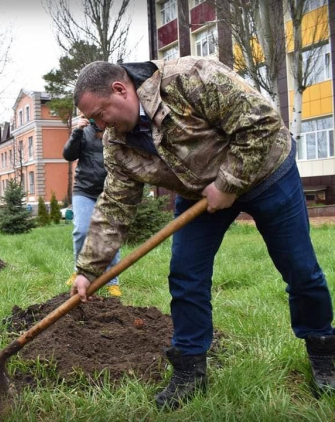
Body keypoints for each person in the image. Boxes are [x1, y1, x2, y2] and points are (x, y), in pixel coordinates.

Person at [70, 58, 335, 409]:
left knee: (300, 270)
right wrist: (89, 270)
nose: (99, 126)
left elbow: (262, 123)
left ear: (121, 90)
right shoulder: (117, 144)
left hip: (268, 173)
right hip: (201, 197)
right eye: (93, 121)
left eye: (100, 115)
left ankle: (323, 352)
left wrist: (229, 183)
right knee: (186, 275)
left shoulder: (187, 79)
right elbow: (115, 206)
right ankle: (189, 371)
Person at [63, 115, 121, 297]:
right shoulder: (84, 132)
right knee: (81, 230)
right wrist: (77, 131)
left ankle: (112, 280)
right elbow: (68, 155)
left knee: (110, 234)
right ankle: (79, 271)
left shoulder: (115, 132)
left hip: (109, 191)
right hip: (84, 190)